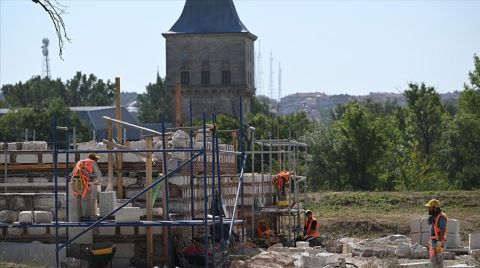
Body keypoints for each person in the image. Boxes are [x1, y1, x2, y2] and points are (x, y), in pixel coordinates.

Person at [69, 152, 103, 221]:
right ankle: (86, 217)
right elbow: (98, 172)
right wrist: (99, 181)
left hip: (73, 182)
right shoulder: (92, 162)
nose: (96, 160)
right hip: (82, 182)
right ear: (93, 158)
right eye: (96, 159)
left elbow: (72, 173)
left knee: (77, 200)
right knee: (86, 200)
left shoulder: (79, 162)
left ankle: (80, 217)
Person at [425, 199, 448, 268]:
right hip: (434, 241)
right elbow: (434, 230)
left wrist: (439, 243)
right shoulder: (435, 216)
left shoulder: (441, 217)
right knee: (433, 260)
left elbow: (443, 230)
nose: (428, 209)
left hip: (438, 241)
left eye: (430, 208)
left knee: (437, 260)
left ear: (435, 208)